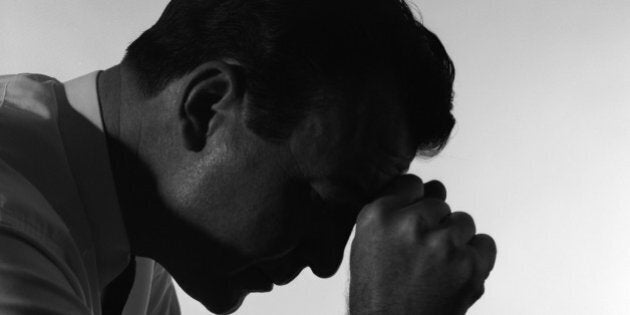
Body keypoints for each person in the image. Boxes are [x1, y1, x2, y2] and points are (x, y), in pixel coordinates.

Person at [0, 0, 496, 314]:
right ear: (206, 106)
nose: (328, 263)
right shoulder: (12, 224)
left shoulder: (137, 265)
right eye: (326, 203)